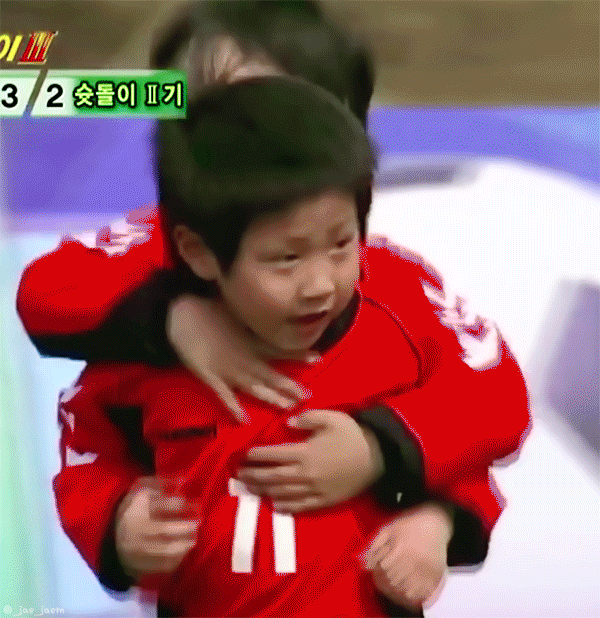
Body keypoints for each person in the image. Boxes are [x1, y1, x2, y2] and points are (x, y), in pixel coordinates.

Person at [19, 0, 529, 611]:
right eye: (212, 108)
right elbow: (48, 306)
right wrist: (173, 321)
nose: (245, 136)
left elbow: (492, 400)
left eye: (276, 108)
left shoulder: (395, 291)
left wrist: (386, 460)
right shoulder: (157, 258)